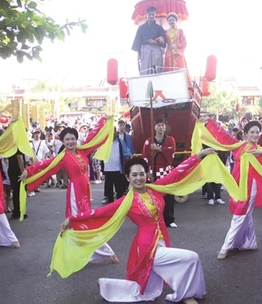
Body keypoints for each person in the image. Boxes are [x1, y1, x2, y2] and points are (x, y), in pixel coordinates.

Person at [58, 149, 217, 304]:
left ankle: (108, 285)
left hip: (160, 240)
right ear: (127, 177)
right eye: (134, 175)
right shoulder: (127, 201)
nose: (139, 178)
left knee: (146, 291)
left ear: (146, 175)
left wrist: (199, 155)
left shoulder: (156, 189)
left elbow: (176, 173)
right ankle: (186, 294)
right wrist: (72, 218)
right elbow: (99, 212)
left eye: (142, 174)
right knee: (190, 258)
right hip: (147, 248)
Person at [198, 118, 262, 259]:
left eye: (257, 132)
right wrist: (209, 122)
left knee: (240, 214)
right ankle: (250, 243)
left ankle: (225, 247)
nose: (255, 135)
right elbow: (223, 136)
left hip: (250, 186)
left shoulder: (259, 150)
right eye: (252, 132)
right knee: (246, 213)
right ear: (245, 134)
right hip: (236, 183)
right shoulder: (238, 145)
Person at [20, 118, 118, 262]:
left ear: (76, 140)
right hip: (75, 192)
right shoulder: (63, 157)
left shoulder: (82, 151)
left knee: (84, 219)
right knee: (79, 220)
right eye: (67, 140)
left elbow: (94, 137)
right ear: (63, 141)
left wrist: (104, 121)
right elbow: (45, 164)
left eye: (73, 139)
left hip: (85, 190)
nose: (70, 142)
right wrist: (28, 171)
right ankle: (101, 252)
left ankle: (82, 253)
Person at [142, 117, 177, 228]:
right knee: (153, 197)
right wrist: (147, 172)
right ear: (155, 127)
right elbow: (145, 157)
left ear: (165, 127)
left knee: (168, 195)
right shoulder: (149, 140)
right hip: (153, 171)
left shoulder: (170, 139)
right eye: (158, 125)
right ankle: (154, 219)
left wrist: (158, 149)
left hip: (165, 171)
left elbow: (171, 151)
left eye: (162, 125)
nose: (161, 127)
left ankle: (169, 219)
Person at [131, 6, 166, 75]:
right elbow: (138, 42)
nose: (151, 16)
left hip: (156, 51)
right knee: (145, 69)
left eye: (153, 14)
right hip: (145, 51)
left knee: (157, 69)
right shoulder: (141, 28)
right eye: (149, 14)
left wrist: (156, 42)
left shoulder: (159, 28)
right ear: (146, 15)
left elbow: (164, 42)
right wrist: (139, 54)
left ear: (155, 15)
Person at [163, 12, 190, 83]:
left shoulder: (180, 31)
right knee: (168, 70)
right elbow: (164, 42)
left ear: (176, 21)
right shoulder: (165, 32)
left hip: (178, 54)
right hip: (168, 53)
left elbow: (184, 43)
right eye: (169, 20)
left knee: (179, 70)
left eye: (172, 20)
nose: (171, 21)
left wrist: (176, 46)